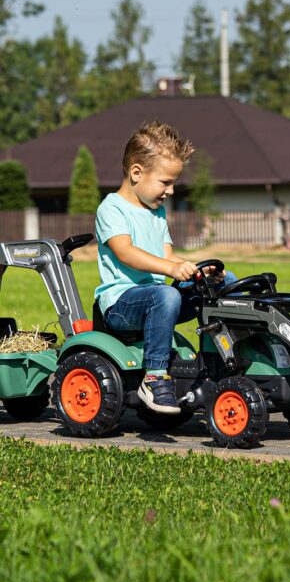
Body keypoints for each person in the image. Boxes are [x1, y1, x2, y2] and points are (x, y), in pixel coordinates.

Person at [94, 120, 205, 414]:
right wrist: (171, 270)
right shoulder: (111, 208)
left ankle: (216, 368)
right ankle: (154, 378)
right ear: (136, 173)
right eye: (165, 182)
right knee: (165, 295)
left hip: (155, 298)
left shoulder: (157, 212)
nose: (170, 191)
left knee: (218, 285)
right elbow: (126, 253)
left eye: (173, 183)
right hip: (121, 304)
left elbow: (168, 257)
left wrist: (194, 271)